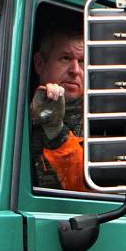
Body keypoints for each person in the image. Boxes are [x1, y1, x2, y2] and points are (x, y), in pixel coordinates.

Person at [30, 19, 86, 191]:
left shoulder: (103, 121)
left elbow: (85, 191)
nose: (75, 70)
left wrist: (55, 130)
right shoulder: (4, 107)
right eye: (65, 58)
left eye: (83, 61)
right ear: (39, 63)